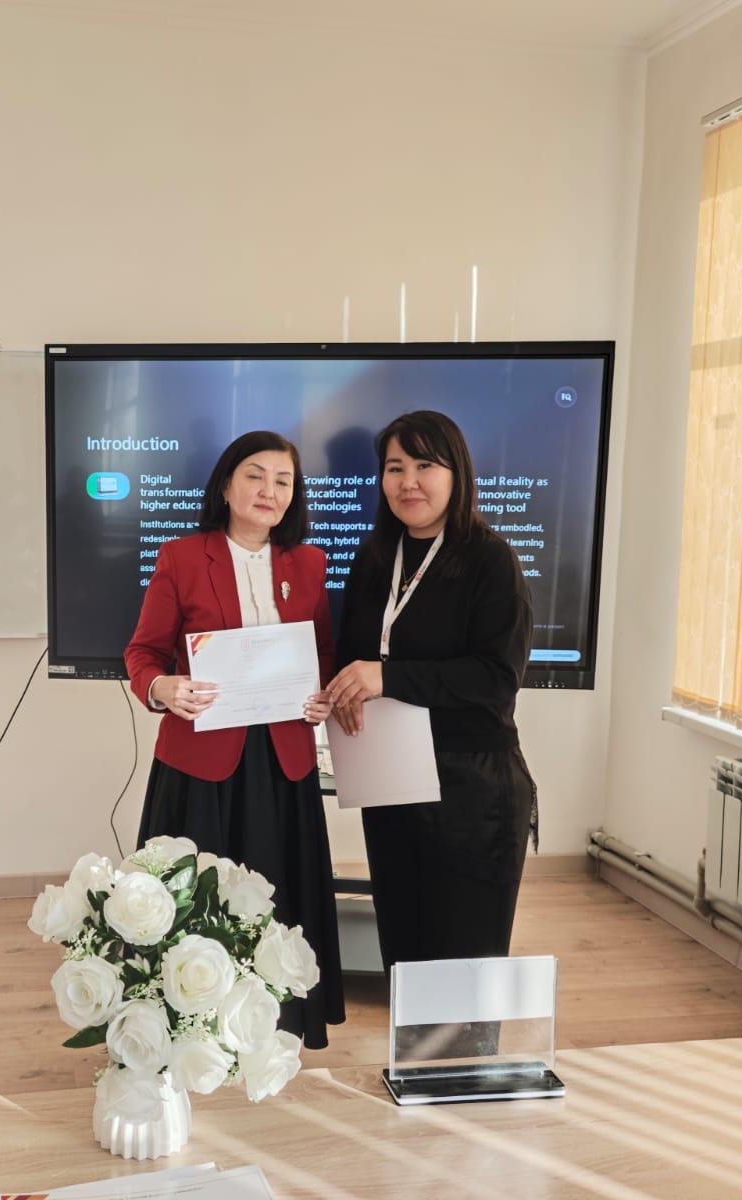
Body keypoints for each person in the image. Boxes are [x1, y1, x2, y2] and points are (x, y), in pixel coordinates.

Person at [124, 430, 346, 1049]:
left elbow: (322, 654)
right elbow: (142, 653)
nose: (269, 490)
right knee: (198, 904)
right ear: (226, 485)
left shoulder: (308, 563)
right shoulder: (181, 556)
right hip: (202, 761)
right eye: (255, 475)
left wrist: (322, 693)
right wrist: (162, 687)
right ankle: (190, 1031)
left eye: (283, 481)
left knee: (279, 898)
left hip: (282, 762)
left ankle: (275, 1025)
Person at [325, 410, 537, 972]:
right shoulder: (373, 558)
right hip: (391, 781)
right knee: (404, 954)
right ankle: (408, 1036)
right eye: (395, 468)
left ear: (456, 473)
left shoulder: (490, 559)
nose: (408, 482)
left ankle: (461, 1039)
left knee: (463, 962)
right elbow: (353, 655)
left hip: (470, 789)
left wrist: (388, 676)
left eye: (425, 465)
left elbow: (496, 677)